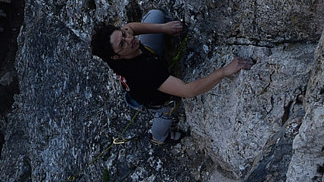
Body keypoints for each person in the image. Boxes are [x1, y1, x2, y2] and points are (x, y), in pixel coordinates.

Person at [89, 9, 254, 144]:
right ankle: (158, 137)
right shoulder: (144, 71)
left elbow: (130, 27)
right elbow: (188, 91)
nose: (130, 39)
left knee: (155, 15)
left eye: (124, 35)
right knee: (169, 106)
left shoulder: (118, 49)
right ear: (116, 57)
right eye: (122, 43)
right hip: (155, 95)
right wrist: (223, 72)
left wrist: (163, 28)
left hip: (147, 62)